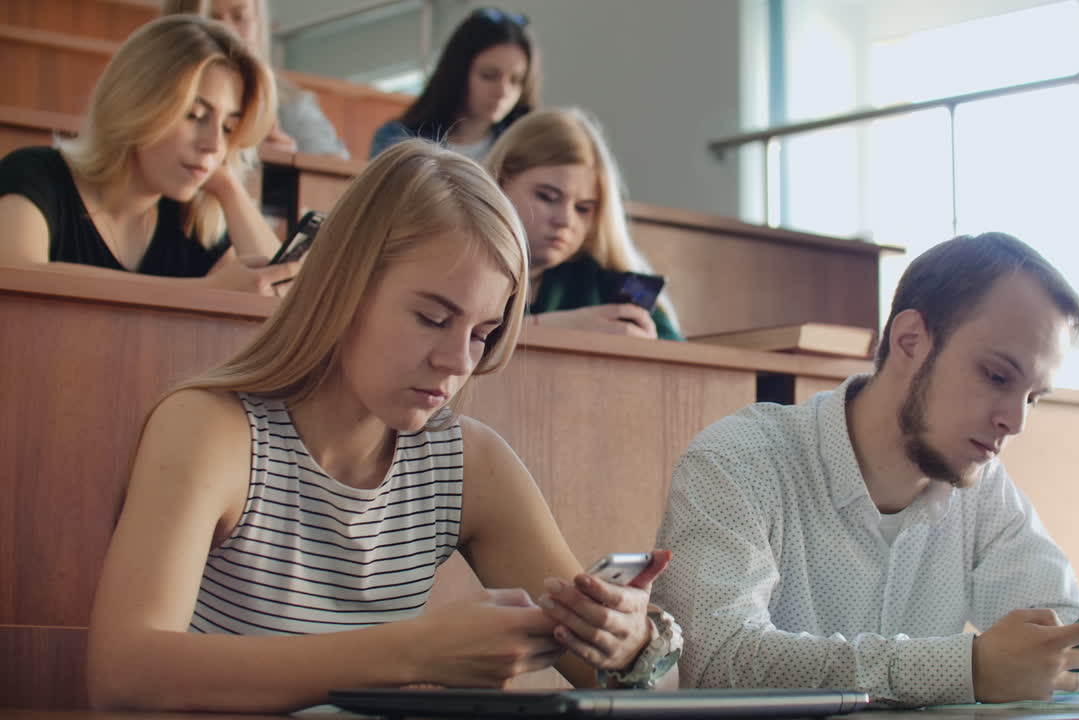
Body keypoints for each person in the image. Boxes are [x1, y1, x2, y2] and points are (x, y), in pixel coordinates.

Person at [86, 139, 681, 712]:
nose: (458, 363)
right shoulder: (213, 430)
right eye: (431, 318)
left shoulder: (466, 462)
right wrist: (412, 654)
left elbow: (625, 680)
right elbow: (123, 673)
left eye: (481, 334)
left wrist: (628, 645)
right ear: (346, 286)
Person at [651, 232, 1079, 706]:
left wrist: (1056, 660)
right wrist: (963, 669)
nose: (1015, 422)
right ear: (910, 340)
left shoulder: (983, 488)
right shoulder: (740, 459)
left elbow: (1068, 637)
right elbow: (709, 660)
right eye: (997, 377)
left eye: (1033, 398)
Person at [0, 14, 297, 295]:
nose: (214, 144)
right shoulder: (34, 173)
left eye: (229, 128)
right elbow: (16, 274)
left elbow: (279, 297)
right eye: (194, 115)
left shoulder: (193, 222)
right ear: (136, 104)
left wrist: (227, 187)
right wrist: (205, 291)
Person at [485, 108, 681, 340]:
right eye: (547, 197)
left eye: (583, 208)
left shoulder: (613, 286)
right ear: (500, 181)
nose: (565, 220)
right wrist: (548, 330)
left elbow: (689, 367)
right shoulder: (458, 264)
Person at [163, 0, 351, 158]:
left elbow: (338, 178)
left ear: (258, 24)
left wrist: (291, 165)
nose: (227, 30)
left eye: (238, 17)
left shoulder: (292, 106)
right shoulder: (159, 101)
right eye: (212, 18)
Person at [369, 7, 538, 161]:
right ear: (458, 72)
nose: (503, 92)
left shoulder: (525, 149)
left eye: (516, 81)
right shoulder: (397, 139)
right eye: (489, 76)